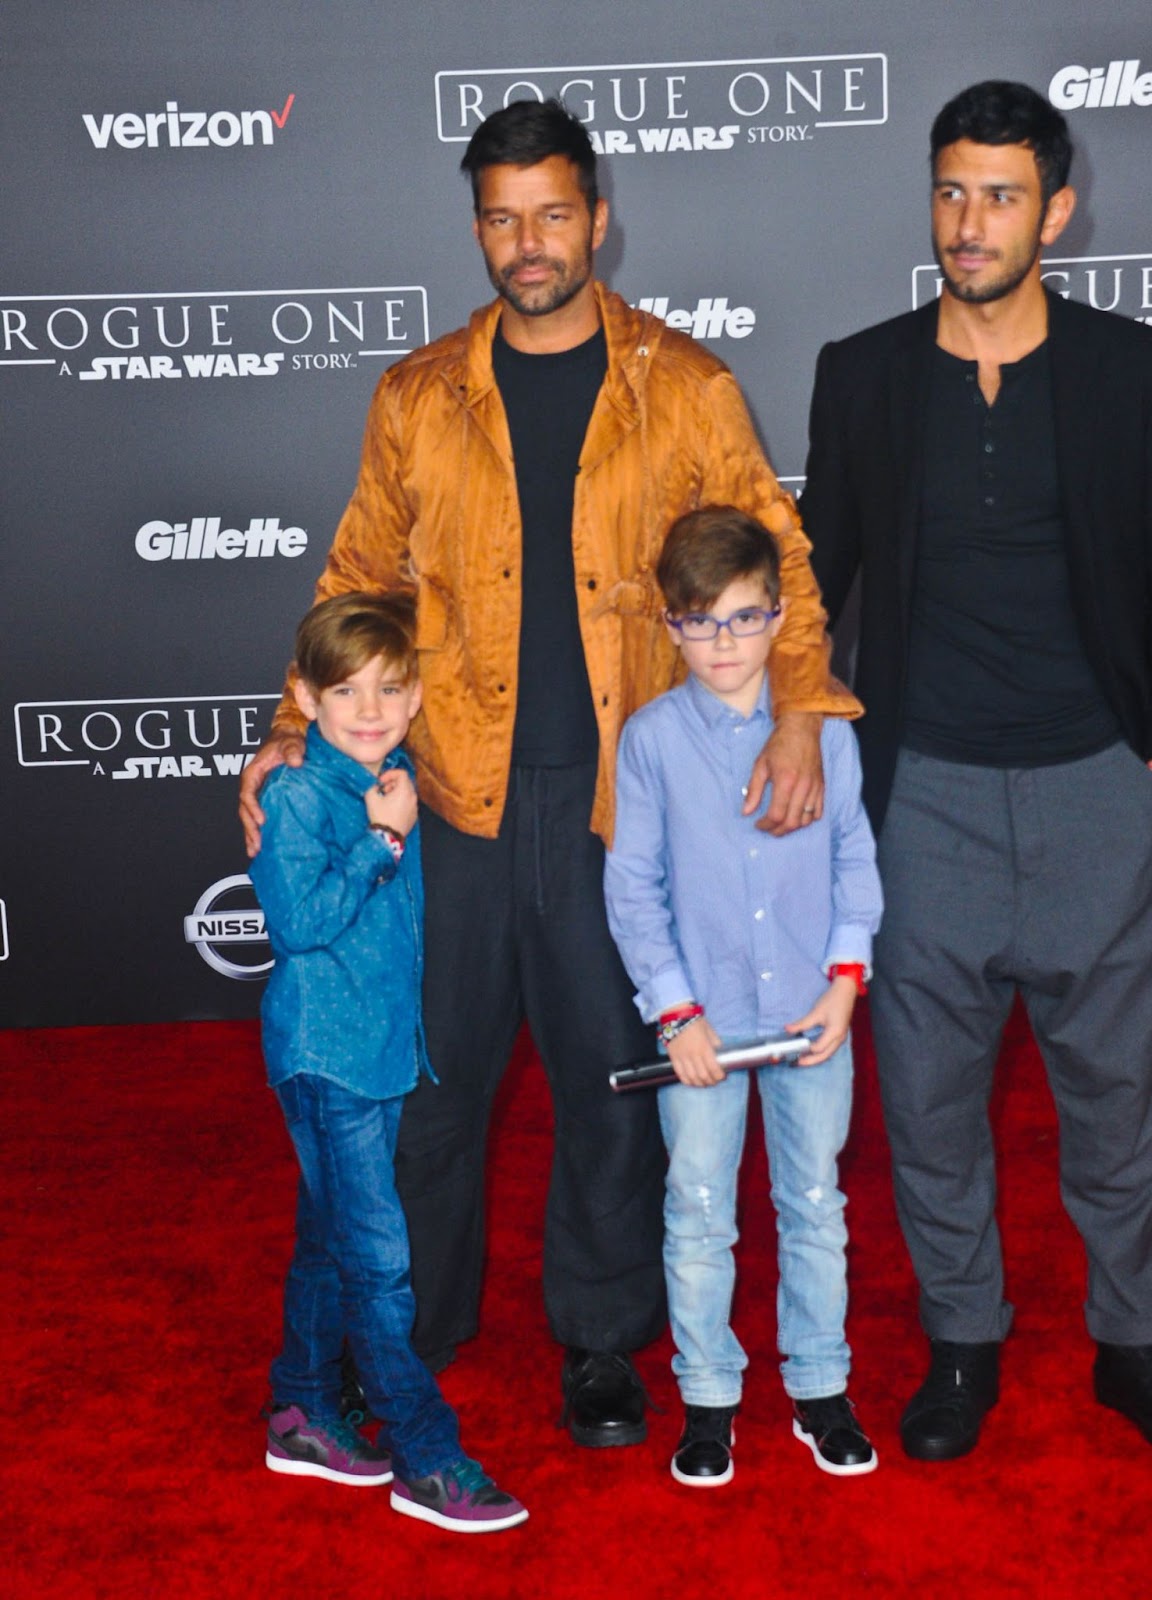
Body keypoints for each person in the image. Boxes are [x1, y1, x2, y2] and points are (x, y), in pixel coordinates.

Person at [239, 98, 856, 1447]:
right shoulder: (415, 395)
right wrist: (290, 726)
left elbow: (779, 562)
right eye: (503, 219)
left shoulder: (684, 387)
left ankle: (596, 1341)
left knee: (606, 1086)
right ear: (478, 227)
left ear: (599, 216)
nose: (529, 244)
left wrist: (803, 707)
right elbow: (356, 578)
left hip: (619, 807)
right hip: (449, 794)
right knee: (431, 1090)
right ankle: (410, 1329)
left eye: (554, 214)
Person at [799, 80, 1152, 1462]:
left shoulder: (1129, 368)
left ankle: (1135, 1347)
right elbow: (817, 594)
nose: (966, 223)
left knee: (1115, 1099)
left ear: (1057, 209)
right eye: (948, 191)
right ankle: (963, 1348)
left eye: (996, 196)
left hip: (1098, 787)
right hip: (922, 796)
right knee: (927, 1103)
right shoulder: (861, 374)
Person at [603, 507, 882, 1487]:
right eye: (698, 620)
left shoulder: (828, 728)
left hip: (815, 1015)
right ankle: (710, 1398)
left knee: (813, 1201)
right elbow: (633, 887)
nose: (722, 642)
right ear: (669, 625)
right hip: (704, 1031)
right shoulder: (650, 740)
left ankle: (819, 1387)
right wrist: (676, 1013)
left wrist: (846, 981)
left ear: (778, 616)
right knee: (699, 1210)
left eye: (742, 617)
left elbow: (854, 854)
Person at [251, 592, 527, 1534]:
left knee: (332, 1242)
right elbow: (296, 924)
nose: (368, 709)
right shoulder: (299, 794)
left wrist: (391, 815)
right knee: (380, 1265)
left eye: (389, 689)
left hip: (375, 1052)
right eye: (346, 691)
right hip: (326, 1055)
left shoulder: (397, 771)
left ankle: (300, 1411)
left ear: (415, 699)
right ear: (304, 697)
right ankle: (426, 1455)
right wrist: (382, 840)